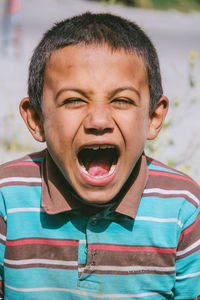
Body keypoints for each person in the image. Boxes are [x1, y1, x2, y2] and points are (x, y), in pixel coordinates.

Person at [0, 12, 200, 299]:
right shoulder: (7, 198)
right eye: (73, 100)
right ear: (37, 119)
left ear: (154, 117)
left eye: (122, 100)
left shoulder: (183, 207)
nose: (98, 120)